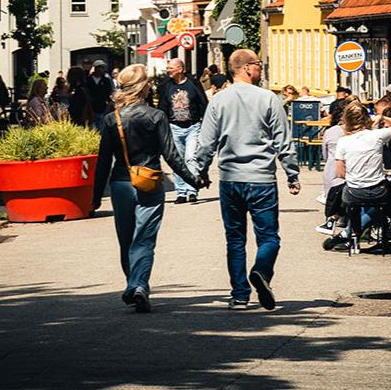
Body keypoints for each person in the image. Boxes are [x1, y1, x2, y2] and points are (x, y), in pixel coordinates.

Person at [196, 49, 301, 311]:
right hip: (261, 179)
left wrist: (200, 170)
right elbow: (282, 140)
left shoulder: (219, 101)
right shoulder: (268, 99)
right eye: (258, 64)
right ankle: (262, 272)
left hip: (230, 179)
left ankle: (240, 296)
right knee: (269, 238)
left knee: (235, 239)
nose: (261, 68)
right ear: (245, 68)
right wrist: (292, 173)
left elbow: (206, 141)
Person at [93, 64, 203, 313]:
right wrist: (193, 179)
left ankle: (134, 285)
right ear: (144, 86)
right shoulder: (156, 116)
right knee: (144, 239)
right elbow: (172, 156)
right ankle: (139, 285)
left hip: (121, 184)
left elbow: (102, 161)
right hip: (150, 182)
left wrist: (95, 197)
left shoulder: (112, 119)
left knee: (126, 239)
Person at [323, 102, 391, 252]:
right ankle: (351, 234)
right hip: (378, 190)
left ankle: (350, 236)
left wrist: (356, 176)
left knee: (358, 199)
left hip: (354, 191)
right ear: (367, 118)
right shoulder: (376, 135)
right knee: (382, 198)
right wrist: (380, 116)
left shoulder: (343, 142)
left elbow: (340, 173)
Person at [158, 58, 208, 204]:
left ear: (180, 69)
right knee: (177, 160)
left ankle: (192, 189)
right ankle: (181, 192)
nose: (168, 71)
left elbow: (203, 103)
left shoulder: (193, 84)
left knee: (190, 158)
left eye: (170, 68)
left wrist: (204, 122)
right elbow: (162, 106)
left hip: (193, 126)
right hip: (174, 127)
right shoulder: (166, 86)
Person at [316, 99, 348, 235]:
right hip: (346, 169)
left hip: (331, 168)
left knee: (334, 193)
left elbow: (324, 153)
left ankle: (331, 219)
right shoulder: (353, 133)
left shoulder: (330, 132)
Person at [87, 60, 114, 130]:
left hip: (102, 107)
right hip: (90, 107)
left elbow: (109, 93)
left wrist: (109, 105)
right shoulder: (88, 80)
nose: (103, 69)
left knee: (101, 127)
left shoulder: (106, 80)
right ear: (96, 68)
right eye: (101, 67)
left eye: (103, 67)